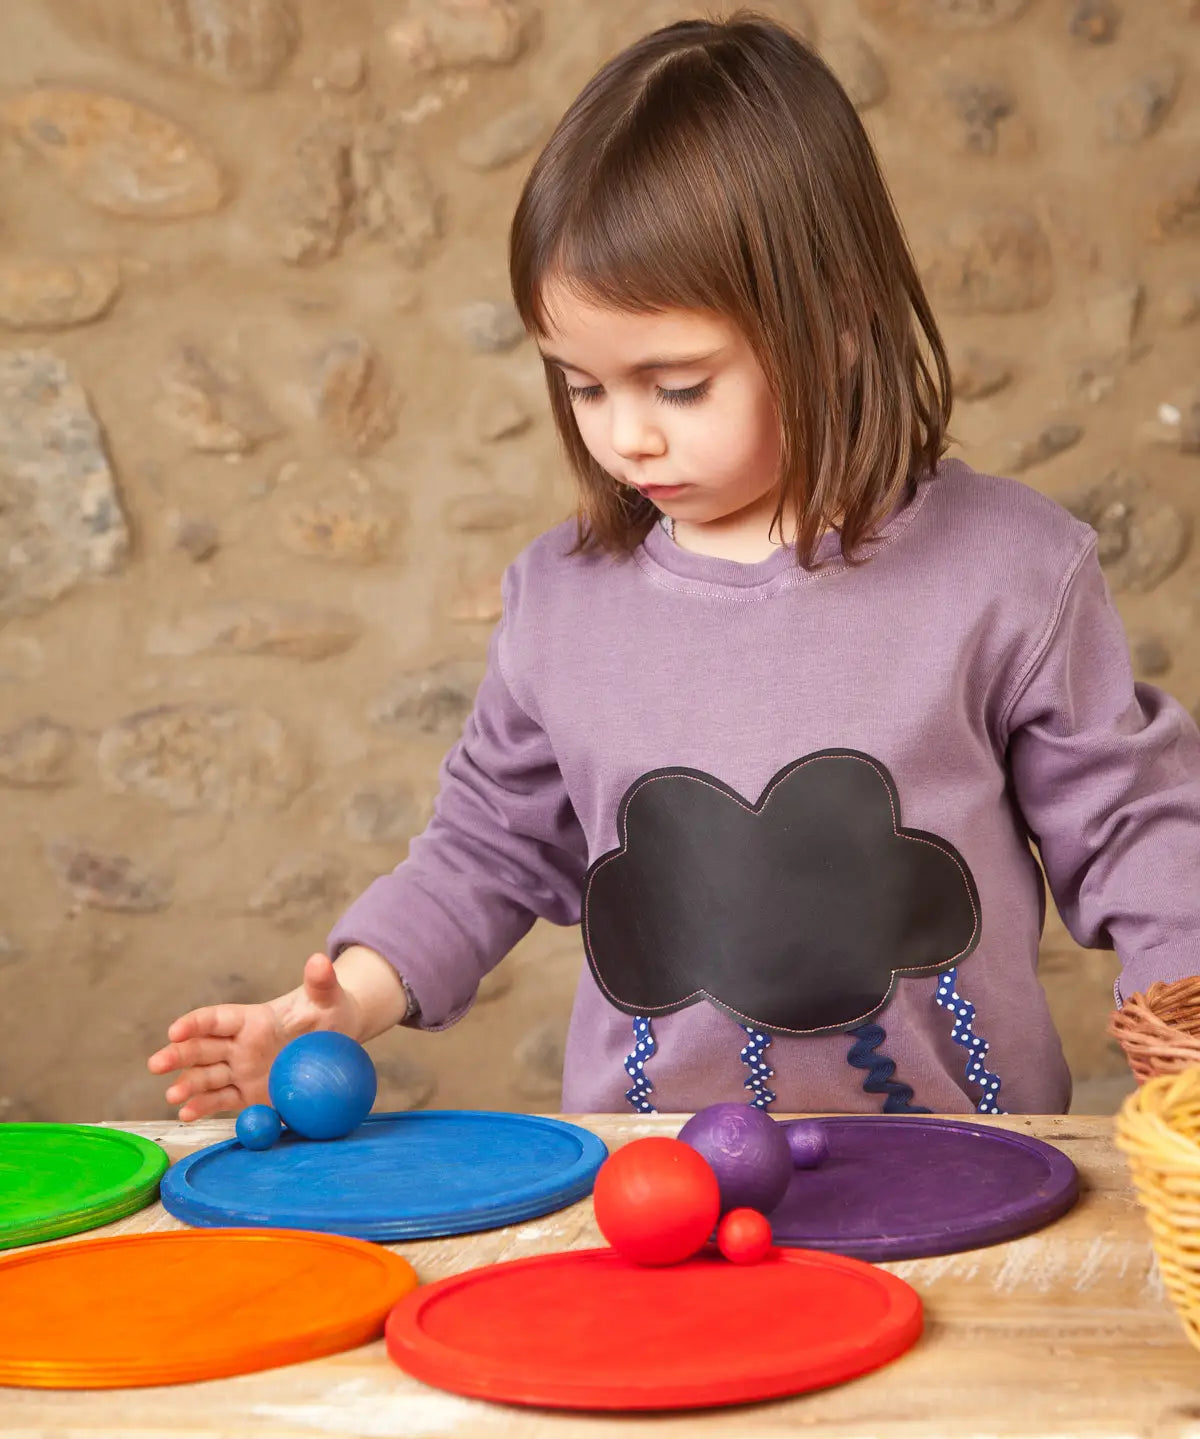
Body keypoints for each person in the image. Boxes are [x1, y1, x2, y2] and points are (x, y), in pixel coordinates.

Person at [148, 11, 1200, 1123]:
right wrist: (339, 1004)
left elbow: (1134, 824)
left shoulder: (1012, 570)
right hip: (657, 1194)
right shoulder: (561, 603)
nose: (627, 436)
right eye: (585, 386)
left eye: (678, 384)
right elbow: (486, 848)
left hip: (968, 1174)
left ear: (839, 320)